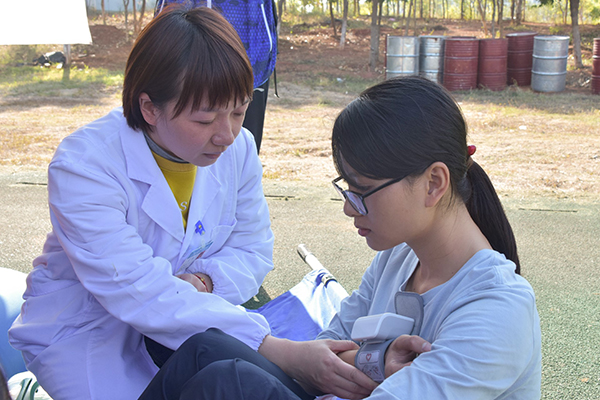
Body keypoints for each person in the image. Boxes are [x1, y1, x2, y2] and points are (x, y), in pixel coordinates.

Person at [137, 76, 542, 400]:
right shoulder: (399, 259)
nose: (349, 207)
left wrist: (358, 365)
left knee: (228, 381)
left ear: (433, 183)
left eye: (361, 190)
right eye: (346, 188)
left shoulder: (496, 308)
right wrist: (377, 361)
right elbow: (328, 347)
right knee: (206, 349)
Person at [8, 7, 277, 399]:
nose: (227, 135)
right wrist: (270, 347)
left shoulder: (240, 150)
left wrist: (206, 280)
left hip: (193, 313)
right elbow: (137, 291)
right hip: (87, 328)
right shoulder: (85, 165)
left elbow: (253, 247)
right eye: (205, 121)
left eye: (239, 111)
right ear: (149, 108)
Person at [155, 0, 278, 153]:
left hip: (253, 53)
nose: (228, 138)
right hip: (183, 48)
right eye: (205, 121)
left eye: (238, 113)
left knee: (239, 147)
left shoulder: (244, 143)